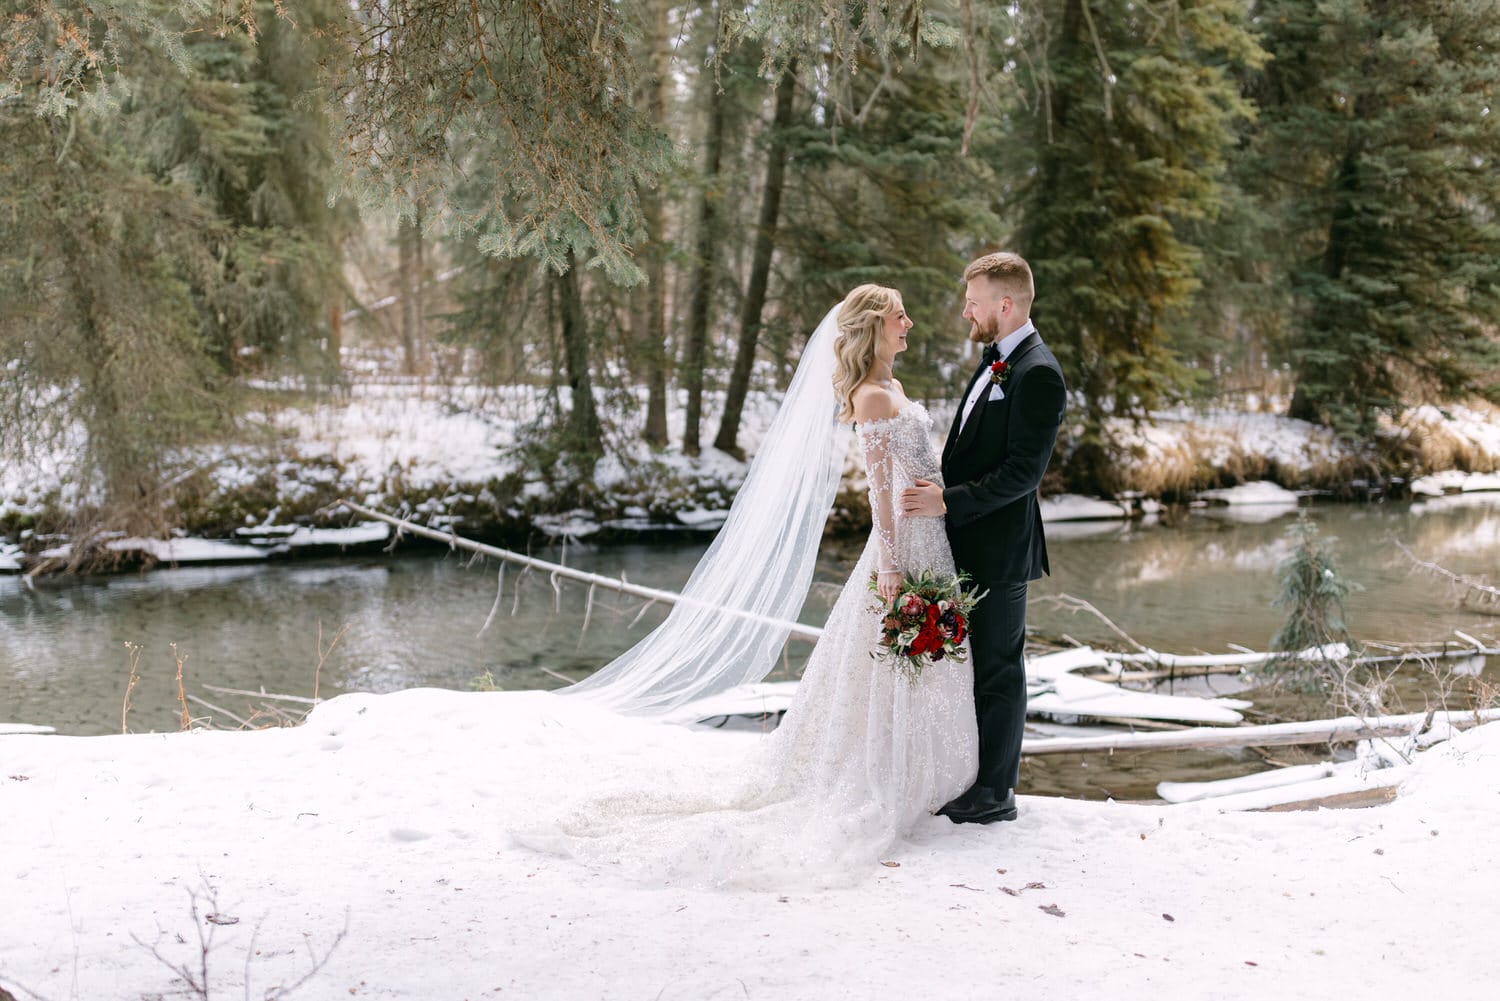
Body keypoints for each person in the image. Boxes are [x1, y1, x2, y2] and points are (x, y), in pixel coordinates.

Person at [514, 285, 977, 888]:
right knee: (890, 659)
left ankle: (922, 770)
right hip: (904, 548)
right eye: (899, 316)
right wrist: (890, 567)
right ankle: (884, 773)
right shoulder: (869, 397)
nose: (909, 323)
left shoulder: (894, 388)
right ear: (873, 326)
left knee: (921, 660)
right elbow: (878, 493)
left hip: (932, 539)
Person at [900, 252, 1068, 825]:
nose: (964, 311)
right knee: (972, 668)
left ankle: (997, 793)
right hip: (966, 541)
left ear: (1006, 304)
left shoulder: (1037, 372)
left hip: (998, 550)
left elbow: (1023, 473)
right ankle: (973, 780)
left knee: (999, 669)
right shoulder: (996, 361)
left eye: (973, 302)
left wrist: (948, 501)